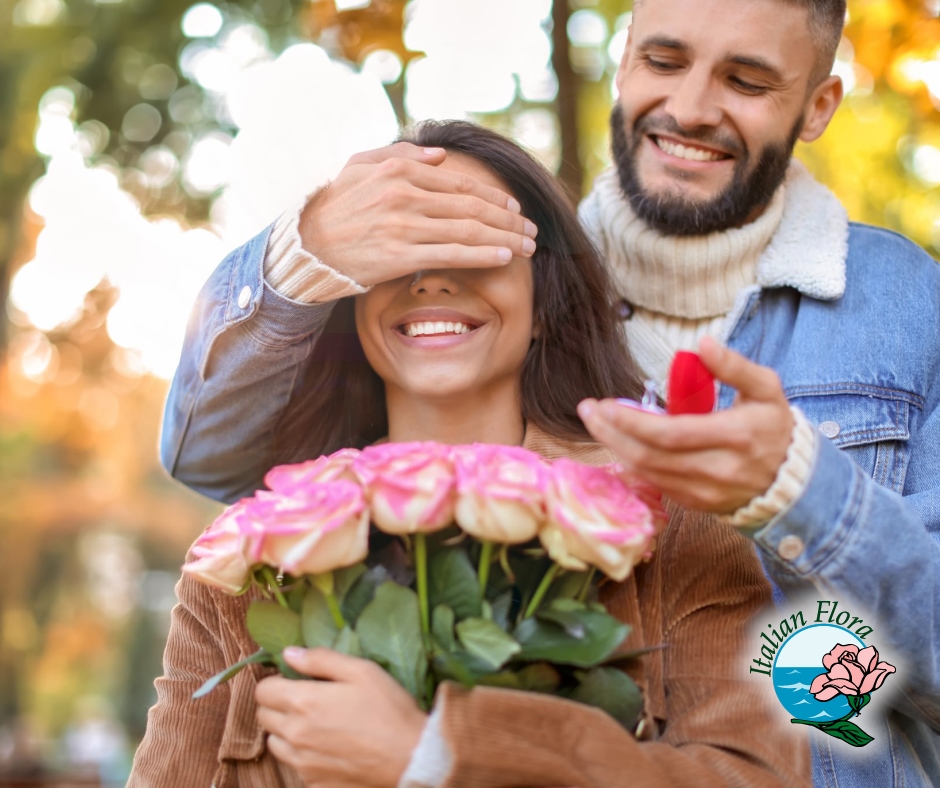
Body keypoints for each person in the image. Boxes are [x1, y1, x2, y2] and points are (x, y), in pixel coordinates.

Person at [159, 0, 940, 784]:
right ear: (626, 59)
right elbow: (209, 456)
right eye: (666, 62)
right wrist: (307, 252)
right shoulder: (258, 552)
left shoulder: (904, 308)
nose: (694, 107)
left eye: (746, 79)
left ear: (818, 105)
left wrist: (801, 490)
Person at [131, 121, 806, 787]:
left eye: (474, 243)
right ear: (350, 306)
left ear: (544, 301)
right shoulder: (242, 561)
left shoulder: (677, 524)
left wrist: (439, 754)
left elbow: (753, 776)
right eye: (397, 248)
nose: (431, 279)